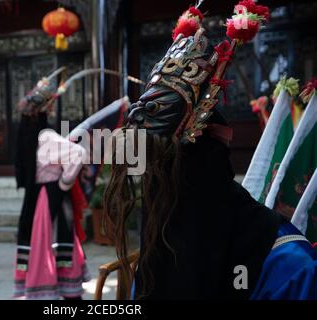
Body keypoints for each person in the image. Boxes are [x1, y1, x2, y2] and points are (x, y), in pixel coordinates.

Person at [103, 1, 317, 300]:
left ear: (203, 163)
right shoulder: (163, 238)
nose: (153, 187)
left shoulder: (287, 264)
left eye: (164, 166)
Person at [13, 70, 90, 300]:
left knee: (41, 242)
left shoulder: (27, 137)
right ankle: (65, 291)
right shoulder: (47, 136)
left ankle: (44, 288)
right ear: (45, 112)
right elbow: (78, 154)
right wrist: (64, 183)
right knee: (55, 240)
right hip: (51, 198)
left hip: (36, 199)